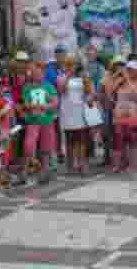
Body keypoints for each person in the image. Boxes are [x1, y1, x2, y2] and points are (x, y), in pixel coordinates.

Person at [18, 56, 58, 185]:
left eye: (39, 72)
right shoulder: (27, 87)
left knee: (46, 148)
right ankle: (25, 170)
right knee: (28, 145)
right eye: (34, 72)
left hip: (47, 120)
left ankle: (45, 172)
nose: (37, 74)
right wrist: (33, 106)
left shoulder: (49, 86)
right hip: (33, 121)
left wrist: (46, 106)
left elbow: (55, 102)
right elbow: (26, 103)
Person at [56, 56, 89, 175]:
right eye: (68, 64)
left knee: (80, 139)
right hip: (67, 111)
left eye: (72, 64)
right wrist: (68, 76)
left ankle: (81, 164)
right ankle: (70, 165)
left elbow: (88, 91)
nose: (70, 67)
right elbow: (61, 90)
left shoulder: (82, 77)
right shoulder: (61, 77)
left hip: (79, 110)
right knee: (69, 139)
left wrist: (86, 79)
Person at [110, 61, 137, 174]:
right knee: (118, 140)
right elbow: (110, 92)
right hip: (119, 115)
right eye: (127, 69)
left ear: (136, 72)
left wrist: (127, 80)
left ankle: (132, 165)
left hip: (132, 116)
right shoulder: (120, 81)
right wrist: (117, 77)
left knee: (132, 140)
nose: (128, 72)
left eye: (131, 70)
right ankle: (118, 165)